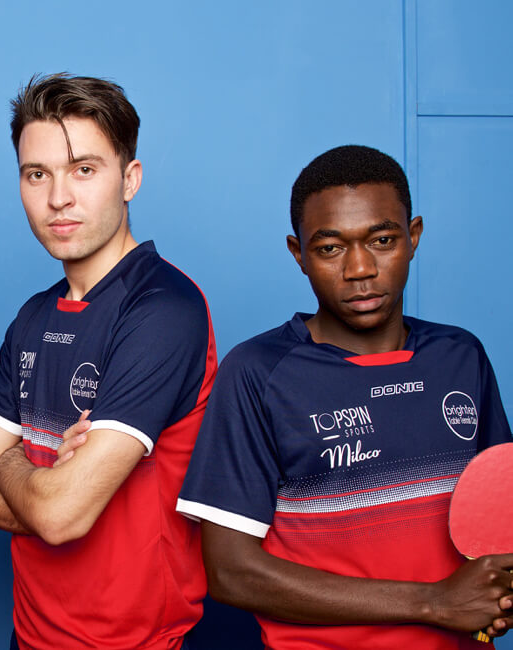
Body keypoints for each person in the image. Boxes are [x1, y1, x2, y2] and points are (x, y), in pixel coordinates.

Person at [177, 144, 513, 648]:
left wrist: (495, 596)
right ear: (299, 254)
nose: (360, 268)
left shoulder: (461, 356)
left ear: (413, 237)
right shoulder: (257, 373)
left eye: (381, 240)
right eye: (330, 248)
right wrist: (433, 602)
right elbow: (232, 572)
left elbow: (498, 521)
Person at [0, 73, 217, 650]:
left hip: (136, 641)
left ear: (130, 179)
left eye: (84, 170)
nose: (58, 198)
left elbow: (60, 516)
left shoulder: (163, 308)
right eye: (36, 174)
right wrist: (46, 488)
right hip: (32, 634)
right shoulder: (33, 317)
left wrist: (14, 464)